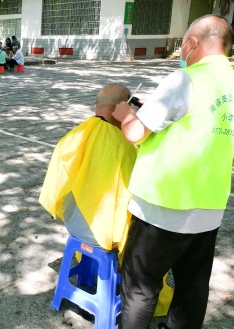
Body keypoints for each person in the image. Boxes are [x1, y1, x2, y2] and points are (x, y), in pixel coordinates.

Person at [111, 15, 234, 329]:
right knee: (192, 286)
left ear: (192, 42)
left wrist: (126, 114)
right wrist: (157, 108)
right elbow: (209, 132)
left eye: (182, 45)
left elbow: (135, 133)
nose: (181, 53)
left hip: (163, 206)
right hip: (210, 207)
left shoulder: (184, 80)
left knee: (140, 287)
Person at [39, 84, 173, 318]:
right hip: (105, 235)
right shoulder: (124, 146)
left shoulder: (76, 134)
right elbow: (135, 196)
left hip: (75, 224)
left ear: (96, 106)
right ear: (120, 108)